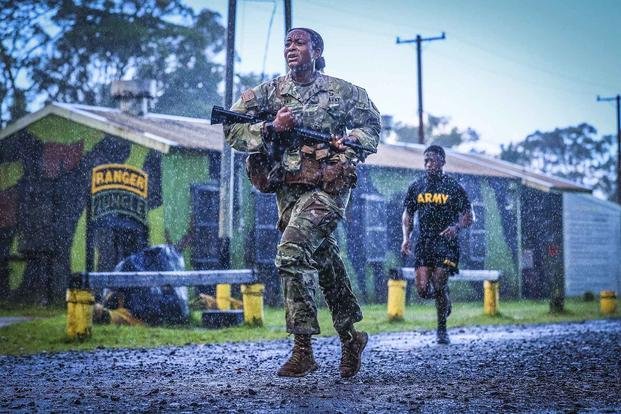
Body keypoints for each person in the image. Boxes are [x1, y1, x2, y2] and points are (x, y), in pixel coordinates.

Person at [223, 27, 381, 377]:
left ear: (317, 49)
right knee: (326, 263)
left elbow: (372, 125)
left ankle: (303, 349)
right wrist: (270, 129)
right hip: (289, 193)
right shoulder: (271, 92)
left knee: (290, 253)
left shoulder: (341, 92)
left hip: (329, 190)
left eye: (299, 42)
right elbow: (231, 127)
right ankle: (351, 337)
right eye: (287, 43)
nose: (291, 48)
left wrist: (349, 140)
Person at [401, 145, 473, 344]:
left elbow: (469, 216)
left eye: (432, 160)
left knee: (439, 279)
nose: (428, 164)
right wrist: (406, 238)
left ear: (442, 161)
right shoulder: (417, 186)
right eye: (425, 160)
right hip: (424, 242)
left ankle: (442, 329)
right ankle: (444, 297)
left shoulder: (453, 187)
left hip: (446, 241)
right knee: (423, 290)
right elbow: (408, 214)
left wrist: (456, 227)